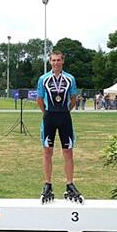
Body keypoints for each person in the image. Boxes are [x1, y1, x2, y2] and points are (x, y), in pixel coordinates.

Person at [37, 50, 84, 204]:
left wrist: (64, 112)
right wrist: (47, 113)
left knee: (68, 152)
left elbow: (73, 99)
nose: (56, 63)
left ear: (63, 61)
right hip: (49, 116)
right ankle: (48, 184)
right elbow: (39, 100)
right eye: (53, 60)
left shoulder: (70, 79)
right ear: (50, 62)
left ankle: (70, 184)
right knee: (47, 151)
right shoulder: (43, 79)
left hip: (64, 116)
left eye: (58, 60)